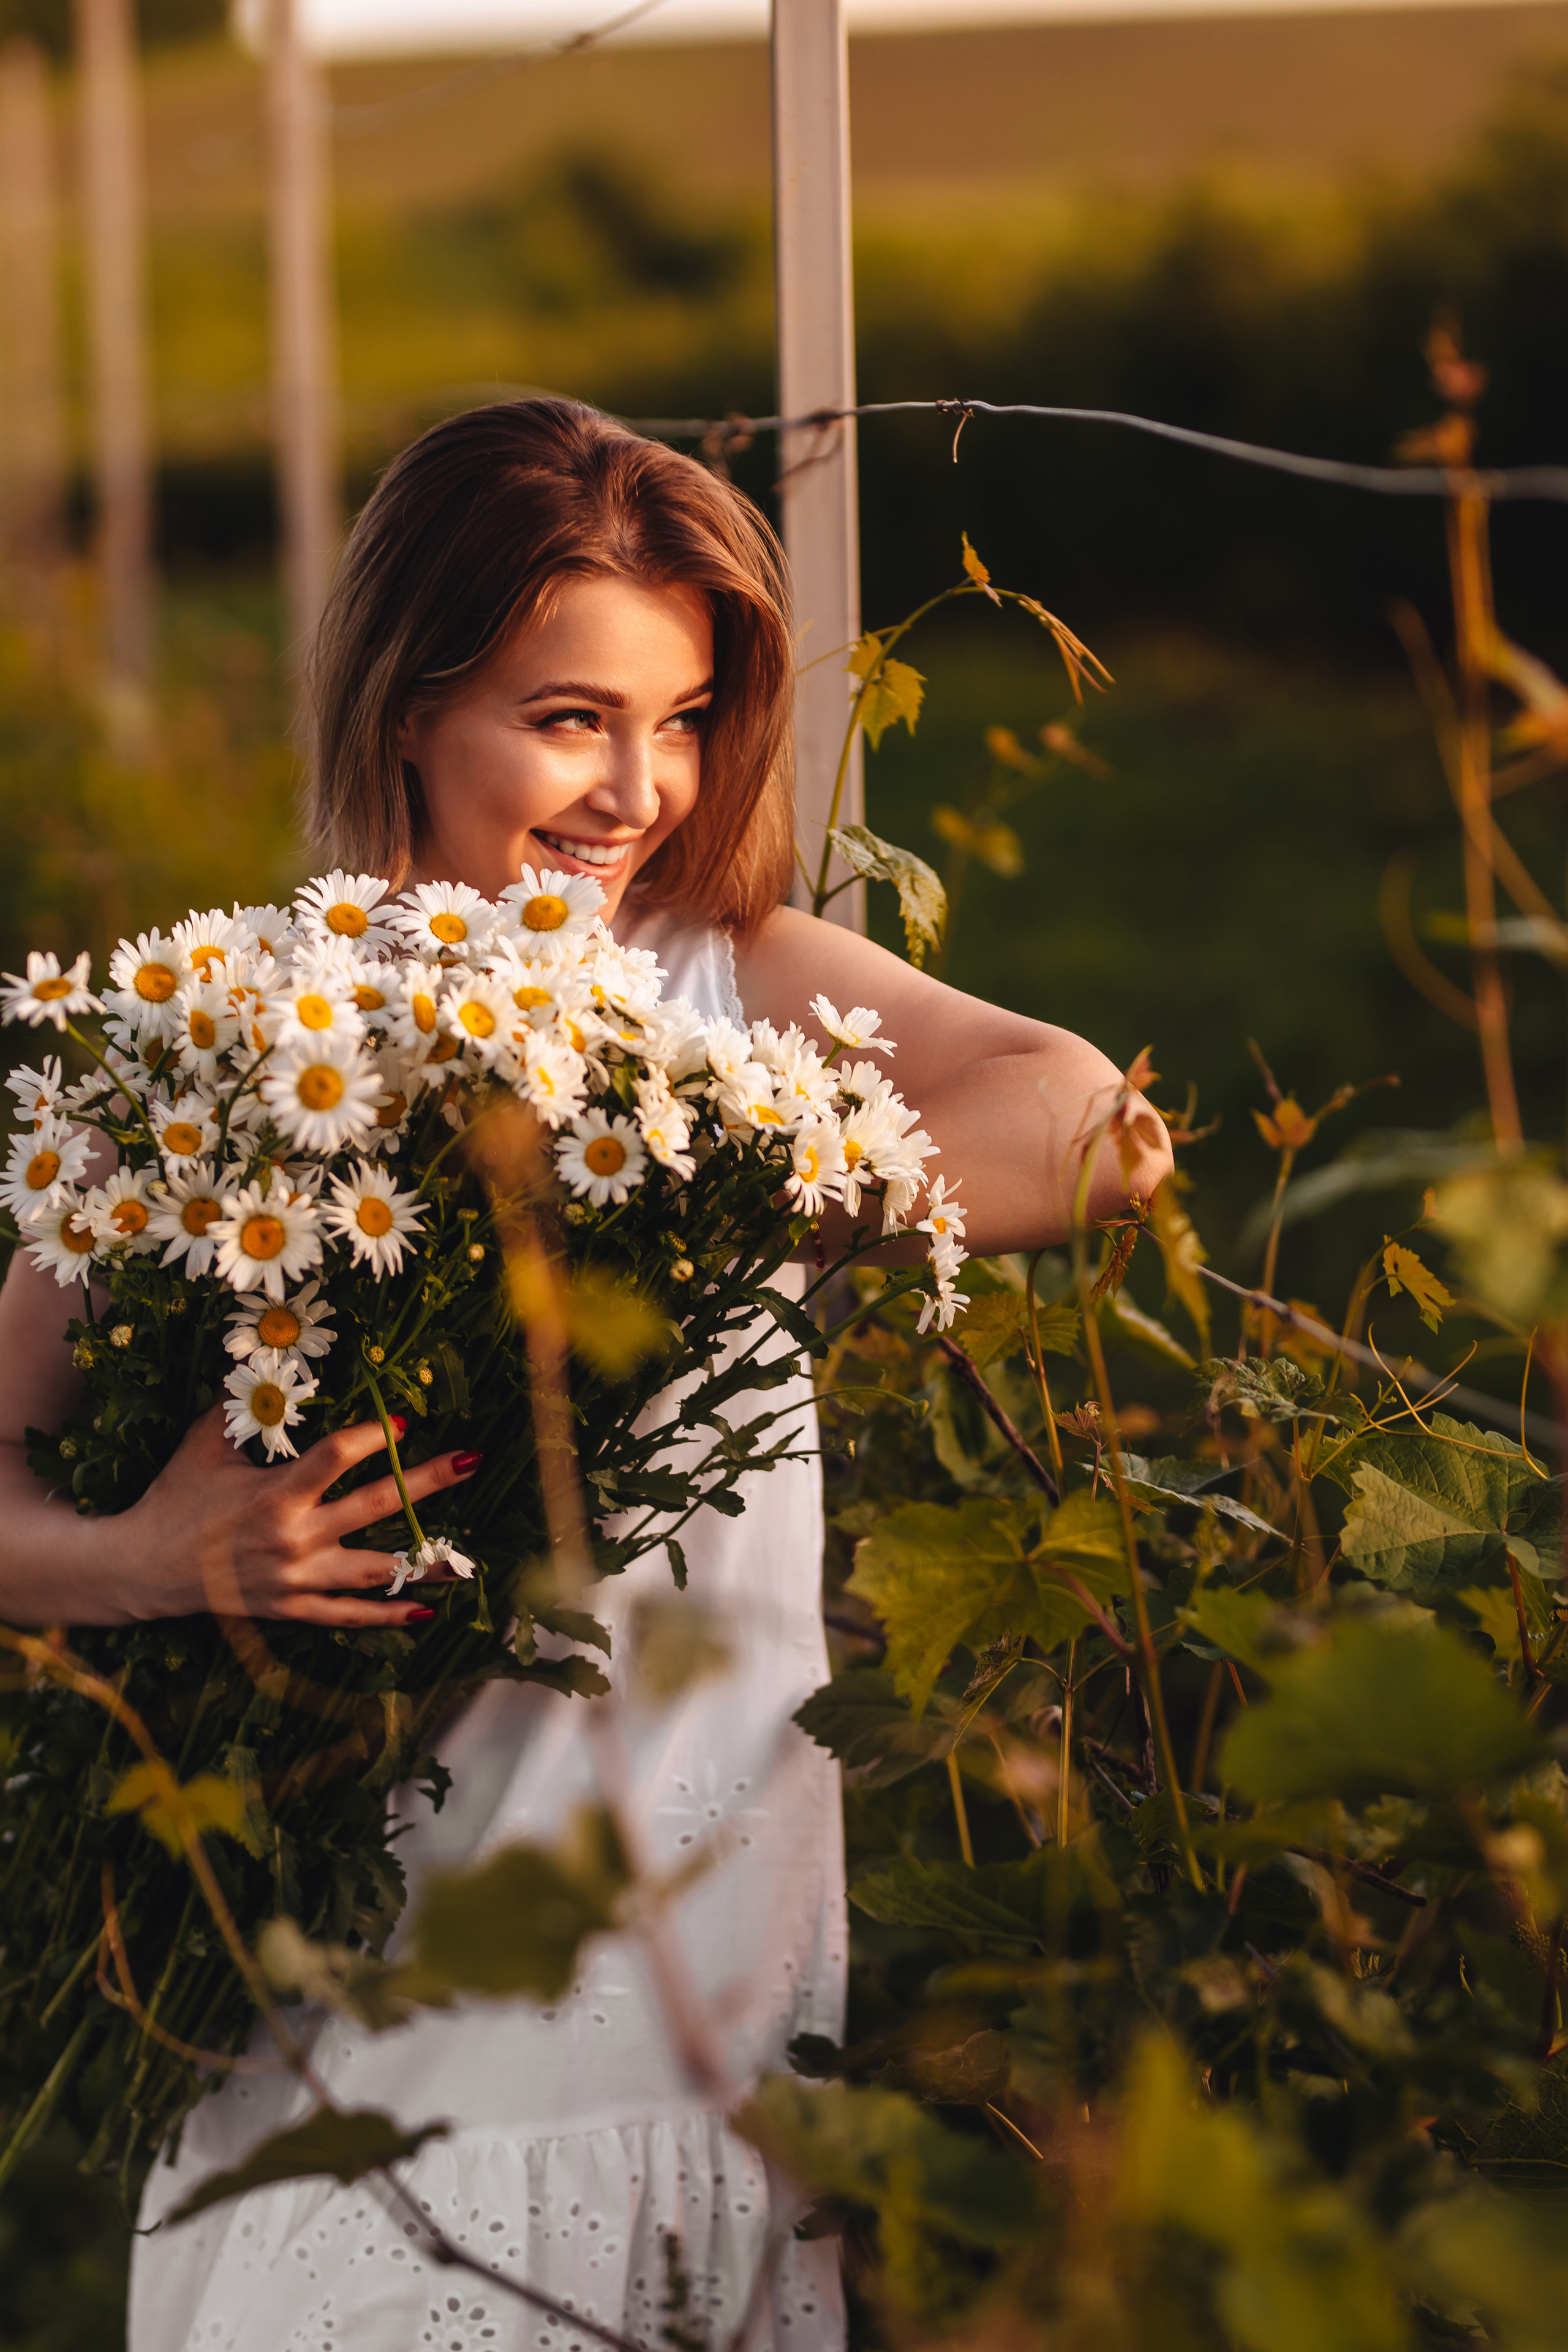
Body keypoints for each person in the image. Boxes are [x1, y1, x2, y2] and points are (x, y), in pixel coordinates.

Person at [0, 399, 1170, 2351]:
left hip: (715, 2026)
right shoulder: (231, 1051)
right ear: (408, 705)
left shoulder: (730, 988)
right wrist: (156, 1556)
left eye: (685, 715)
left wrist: (691, 1196)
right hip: (377, 2043)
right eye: (568, 717)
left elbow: (1100, 1132)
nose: (639, 786)